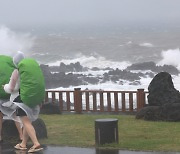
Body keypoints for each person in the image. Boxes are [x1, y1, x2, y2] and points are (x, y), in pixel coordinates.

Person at [3, 51, 45, 153]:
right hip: (33, 98)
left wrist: (5, 87)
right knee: (27, 122)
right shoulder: (30, 71)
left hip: (22, 99)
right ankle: (23, 144)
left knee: (25, 122)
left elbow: (12, 88)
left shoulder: (17, 71)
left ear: (15, 61)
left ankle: (36, 144)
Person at [0, 55, 23, 142]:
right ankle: (21, 135)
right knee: (15, 114)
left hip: (1, 92)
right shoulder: (10, 60)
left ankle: (0, 136)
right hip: (10, 92)